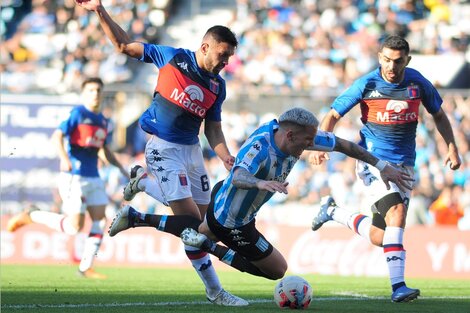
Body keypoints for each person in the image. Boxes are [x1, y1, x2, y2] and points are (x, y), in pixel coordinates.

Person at [107, 108, 412, 285]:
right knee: (276, 270)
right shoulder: (260, 147)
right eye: (307, 141)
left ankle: (141, 201)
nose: (310, 146)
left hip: (239, 212)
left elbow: (345, 146)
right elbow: (238, 175)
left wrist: (381, 165)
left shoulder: (299, 137)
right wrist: (259, 184)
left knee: (191, 222)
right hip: (230, 219)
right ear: (290, 136)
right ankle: (200, 241)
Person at [74, 0, 245, 306]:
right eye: (222, 55)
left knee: (205, 227)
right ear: (206, 46)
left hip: (192, 151)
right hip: (163, 149)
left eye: (229, 58)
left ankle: (141, 185)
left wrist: (225, 156)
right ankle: (215, 291)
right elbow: (124, 45)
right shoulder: (172, 58)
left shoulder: (218, 87)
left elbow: (213, 129)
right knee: (192, 225)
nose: (225, 63)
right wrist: (99, 10)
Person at [309, 35, 462, 303]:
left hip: (405, 165)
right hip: (372, 161)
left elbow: (438, 114)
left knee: (381, 236)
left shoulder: (418, 82)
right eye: (387, 60)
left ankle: (332, 211)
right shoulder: (367, 83)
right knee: (398, 212)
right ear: (380, 57)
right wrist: (322, 147)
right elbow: (332, 115)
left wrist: (451, 147)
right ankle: (399, 287)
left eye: (398, 61)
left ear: (408, 60)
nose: (392, 67)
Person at [7, 77, 129, 279]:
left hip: (94, 177)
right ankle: (31, 215)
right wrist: (64, 158)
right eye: (90, 90)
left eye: (98, 90)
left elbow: (103, 149)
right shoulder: (78, 114)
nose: (95, 94)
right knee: (74, 227)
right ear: (84, 94)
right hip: (75, 177)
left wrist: (120, 168)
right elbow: (57, 136)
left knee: (100, 219)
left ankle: (85, 267)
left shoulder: (103, 120)